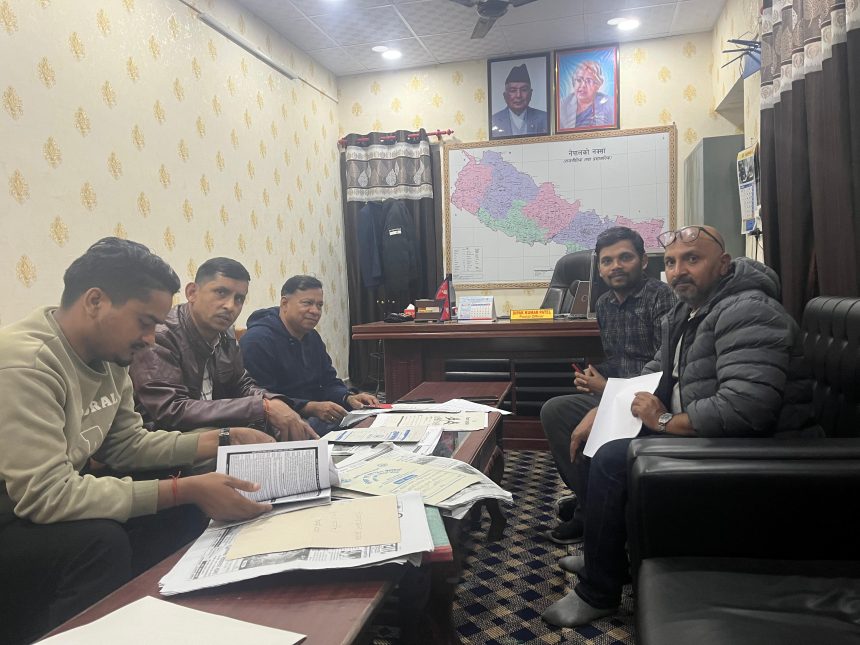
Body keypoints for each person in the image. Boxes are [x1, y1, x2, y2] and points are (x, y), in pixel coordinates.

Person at [0, 238, 276, 644]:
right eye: (145, 322)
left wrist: (224, 437)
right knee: (100, 542)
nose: (150, 339)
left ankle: (164, 614)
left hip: (40, 498)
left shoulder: (110, 355)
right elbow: (45, 495)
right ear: (95, 301)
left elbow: (127, 445)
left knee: (178, 505)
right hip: (14, 506)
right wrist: (185, 488)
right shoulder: (27, 363)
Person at [541, 225, 813, 627]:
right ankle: (606, 548)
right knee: (581, 421)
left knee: (614, 456)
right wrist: (607, 405)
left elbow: (746, 410)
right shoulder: (688, 310)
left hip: (746, 446)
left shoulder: (749, 310)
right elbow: (654, 371)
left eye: (692, 259)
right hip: (690, 423)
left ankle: (599, 590)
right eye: (671, 262)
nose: (679, 271)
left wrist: (663, 420)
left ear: (723, 264)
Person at [540, 227, 675, 544]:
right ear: (599, 268)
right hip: (615, 393)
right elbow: (619, 359)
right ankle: (591, 501)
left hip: (651, 400)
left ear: (643, 261)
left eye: (625, 257)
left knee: (596, 428)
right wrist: (596, 375)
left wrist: (606, 392)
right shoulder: (603, 304)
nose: (616, 266)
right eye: (607, 261)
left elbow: (664, 368)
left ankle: (589, 515)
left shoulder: (663, 298)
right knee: (555, 410)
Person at [130, 257, 317, 443]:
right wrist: (261, 407)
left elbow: (242, 384)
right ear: (192, 292)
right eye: (221, 292)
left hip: (212, 431)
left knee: (291, 427)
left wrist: (272, 402)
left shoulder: (225, 333)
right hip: (166, 440)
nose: (230, 306)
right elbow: (170, 410)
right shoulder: (160, 335)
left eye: (239, 299)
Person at [240, 275, 379, 435]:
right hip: (283, 422)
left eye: (319, 305)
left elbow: (328, 381)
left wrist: (347, 397)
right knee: (362, 430)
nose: (315, 311)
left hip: (317, 414)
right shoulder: (257, 341)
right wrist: (310, 407)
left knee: (373, 420)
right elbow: (262, 399)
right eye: (307, 303)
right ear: (284, 303)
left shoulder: (312, 337)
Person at [491, 63, 549, 137]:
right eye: (513, 90)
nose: (518, 95)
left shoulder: (544, 118)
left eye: (524, 90)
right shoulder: (494, 120)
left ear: (530, 94)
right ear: (505, 96)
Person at [559, 60, 615, 129]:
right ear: (573, 82)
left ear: (598, 84)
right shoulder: (562, 105)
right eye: (579, 80)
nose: (583, 85)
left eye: (589, 81)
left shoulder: (610, 104)